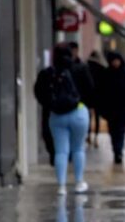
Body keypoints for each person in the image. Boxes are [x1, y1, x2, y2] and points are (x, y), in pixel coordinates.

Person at [34, 43, 91, 195]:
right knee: (78, 148)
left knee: (61, 151)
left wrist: (51, 105)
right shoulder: (80, 69)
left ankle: (61, 186)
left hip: (57, 115)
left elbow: (39, 93)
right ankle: (79, 182)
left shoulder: (46, 73)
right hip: (78, 112)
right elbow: (90, 90)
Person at [98, 51, 125, 164]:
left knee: (120, 131)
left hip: (123, 108)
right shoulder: (106, 74)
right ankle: (116, 150)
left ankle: (118, 151)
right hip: (110, 109)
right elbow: (101, 92)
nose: (115, 63)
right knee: (113, 131)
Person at [86, 50, 107, 148]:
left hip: (89, 95)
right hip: (99, 96)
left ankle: (89, 135)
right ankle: (96, 138)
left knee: (88, 116)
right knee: (97, 118)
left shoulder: (86, 67)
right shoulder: (102, 68)